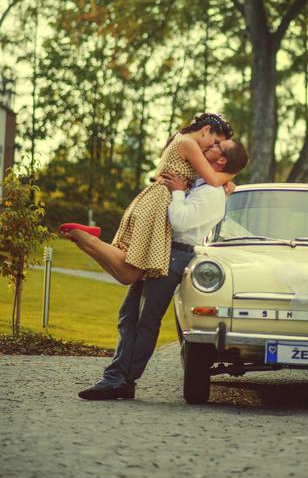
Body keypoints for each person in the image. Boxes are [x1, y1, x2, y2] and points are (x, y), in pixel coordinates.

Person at [77, 137, 249, 400]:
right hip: (160, 250)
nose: (211, 145)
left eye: (218, 146)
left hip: (175, 255)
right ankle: (118, 378)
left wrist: (178, 191)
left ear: (222, 159)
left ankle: (121, 379)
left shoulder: (212, 195)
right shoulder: (205, 183)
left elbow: (180, 222)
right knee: (128, 314)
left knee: (146, 320)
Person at [59, 113, 235, 284]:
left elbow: (207, 176)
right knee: (132, 271)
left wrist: (225, 181)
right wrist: (233, 173)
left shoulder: (181, 139)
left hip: (154, 201)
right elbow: (213, 179)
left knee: (128, 276)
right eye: (215, 142)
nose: (213, 148)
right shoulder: (189, 144)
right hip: (158, 204)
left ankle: (86, 242)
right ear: (206, 130)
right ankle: (89, 239)